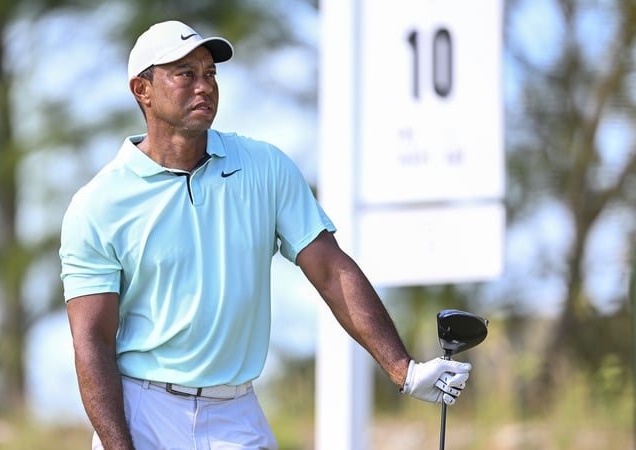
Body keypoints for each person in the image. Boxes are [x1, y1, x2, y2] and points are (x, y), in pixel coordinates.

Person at [59, 20, 472, 450]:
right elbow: (92, 339)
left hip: (236, 412)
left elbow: (330, 270)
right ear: (142, 90)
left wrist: (403, 370)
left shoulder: (265, 167)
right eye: (185, 74)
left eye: (210, 74)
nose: (204, 86)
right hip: (145, 412)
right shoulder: (99, 204)